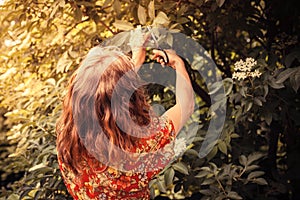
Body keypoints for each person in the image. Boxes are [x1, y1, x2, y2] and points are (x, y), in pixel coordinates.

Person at [56, 36, 194, 199]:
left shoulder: (67, 140)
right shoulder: (141, 148)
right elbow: (187, 105)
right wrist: (177, 63)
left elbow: (101, 93)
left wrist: (134, 63)